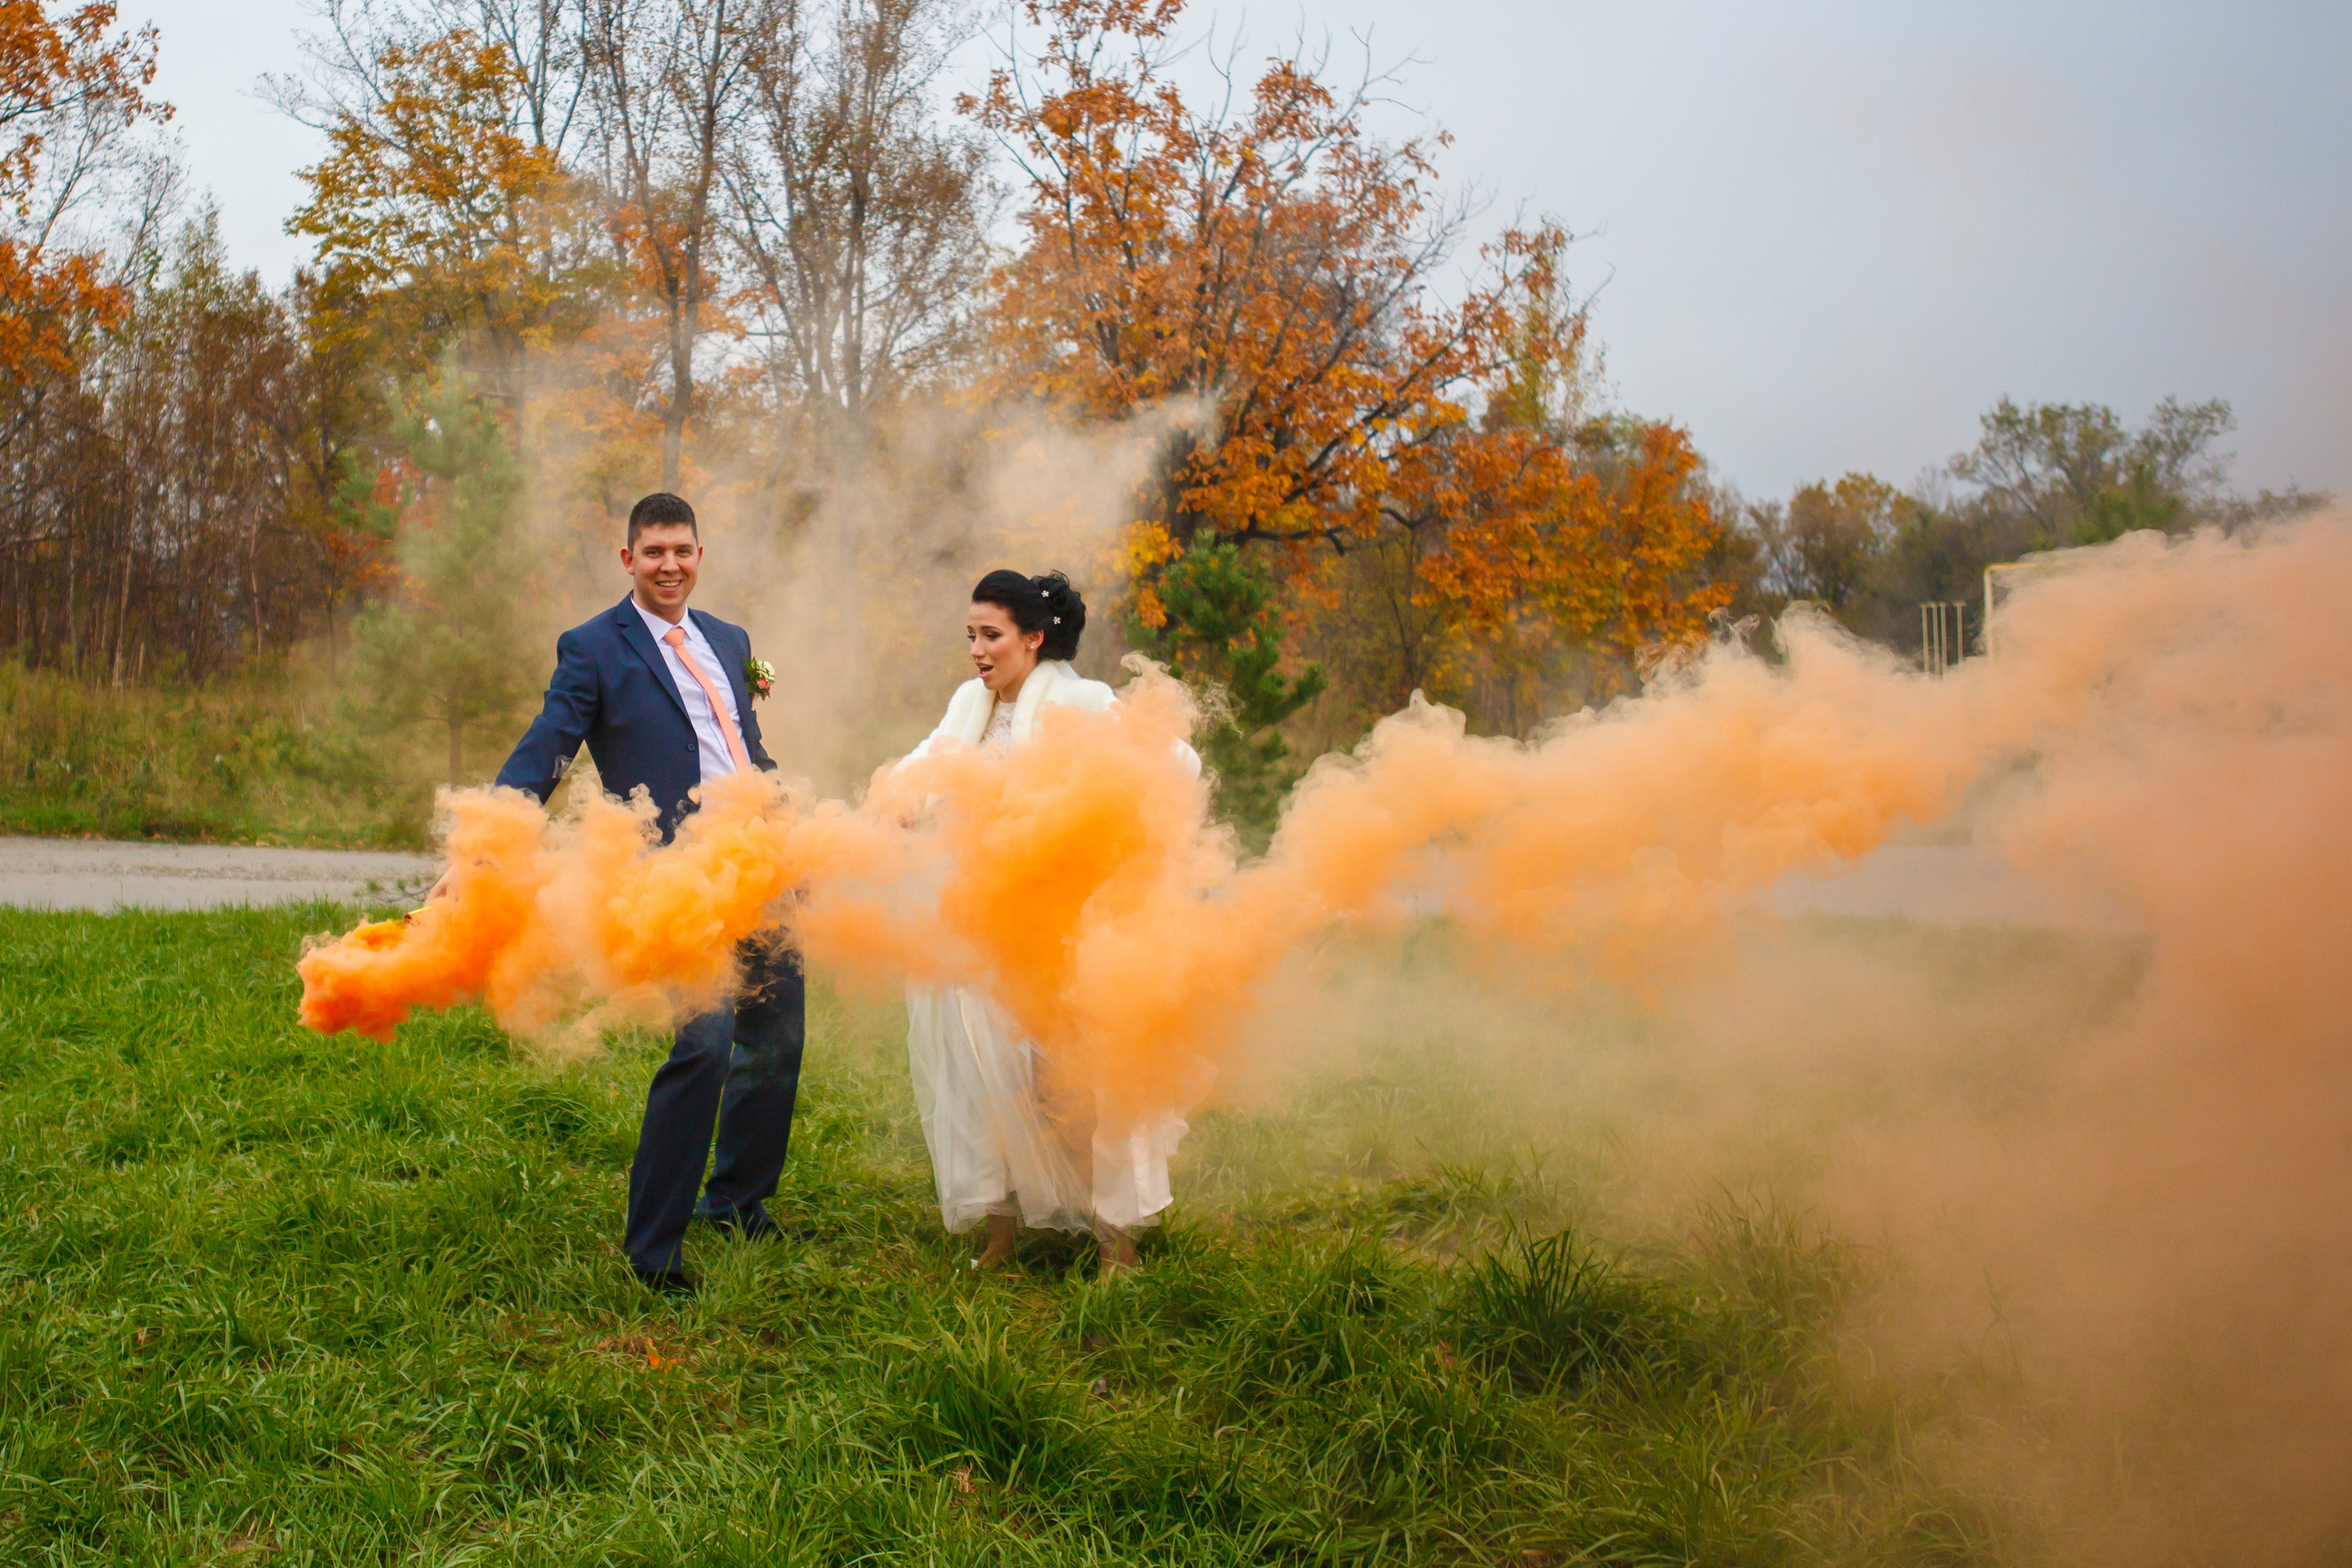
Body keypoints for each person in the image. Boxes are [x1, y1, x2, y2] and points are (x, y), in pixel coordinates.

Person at [483, 491, 804, 1298]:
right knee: (703, 1042)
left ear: (700, 555)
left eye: (683, 551)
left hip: (758, 860)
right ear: (628, 559)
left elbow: (742, 743)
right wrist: (491, 836)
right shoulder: (594, 647)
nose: (670, 565)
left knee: (776, 1036)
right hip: (672, 875)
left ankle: (737, 1201)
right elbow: (548, 747)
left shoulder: (729, 640)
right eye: (653, 551)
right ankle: (653, 1250)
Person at [899, 570, 1192, 1275]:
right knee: (983, 1071)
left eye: (991, 635)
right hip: (981, 920)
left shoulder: (1083, 702)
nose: (976, 649)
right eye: (970, 634)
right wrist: (905, 796)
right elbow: (926, 765)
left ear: (1034, 638)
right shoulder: (968, 705)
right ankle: (1002, 1237)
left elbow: (1175, 760)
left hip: (1065, 924)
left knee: (1076, 1079)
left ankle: (1114, 1241)